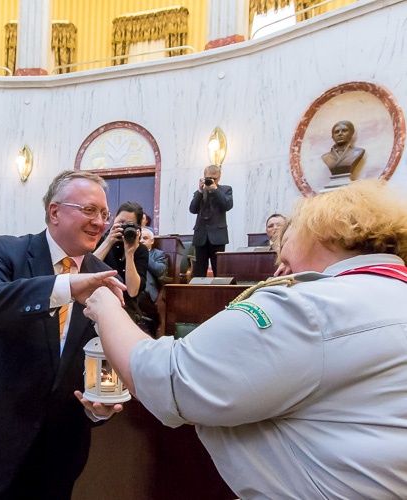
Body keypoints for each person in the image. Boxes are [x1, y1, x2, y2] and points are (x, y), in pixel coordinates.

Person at [84, 179, 407, 498]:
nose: (280, 271)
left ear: (323, 232)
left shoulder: (312, 305)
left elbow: (171, 378)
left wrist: (106, 307)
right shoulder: (391, 292)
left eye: (285, 260)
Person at [0, 170, 126, 499]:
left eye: (104, 213)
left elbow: (106, 351)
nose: (100, 222)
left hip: (62, 448)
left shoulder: (105, 277)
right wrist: (65, 287)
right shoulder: (9, 251)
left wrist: (99, 406)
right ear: (55, 211)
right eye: (89, 210)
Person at [93, 201, 149, 323]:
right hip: (97, 302)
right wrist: (108, 242)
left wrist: (129, 254)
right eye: (120, 222)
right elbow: (86, 271)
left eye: (130, 224)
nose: (124, 227)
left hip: (124, 307)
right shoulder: (100, 241)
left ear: (138, 228)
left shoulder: (141, 250)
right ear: (114, 220)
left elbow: (132, 292)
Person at [189, 165, 233, 277]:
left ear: (219, 178)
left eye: (214, 179)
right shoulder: (199, 192)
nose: (211, 181)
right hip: (201, 235)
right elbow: (193, 209)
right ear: (204, 177)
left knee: (219, 270)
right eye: (209, 178)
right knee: (199, 272)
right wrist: (200, 191)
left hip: (218, 236)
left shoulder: (226, 190)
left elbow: (227, 205)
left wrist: (215, 190)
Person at [136, 227, 168, 336]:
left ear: (152, 241)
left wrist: (143, 253)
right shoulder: (129, 252)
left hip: (147, 292)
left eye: (145, 238)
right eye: (139, 238)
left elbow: (160, 271)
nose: (141, 241)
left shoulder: (158, 254)